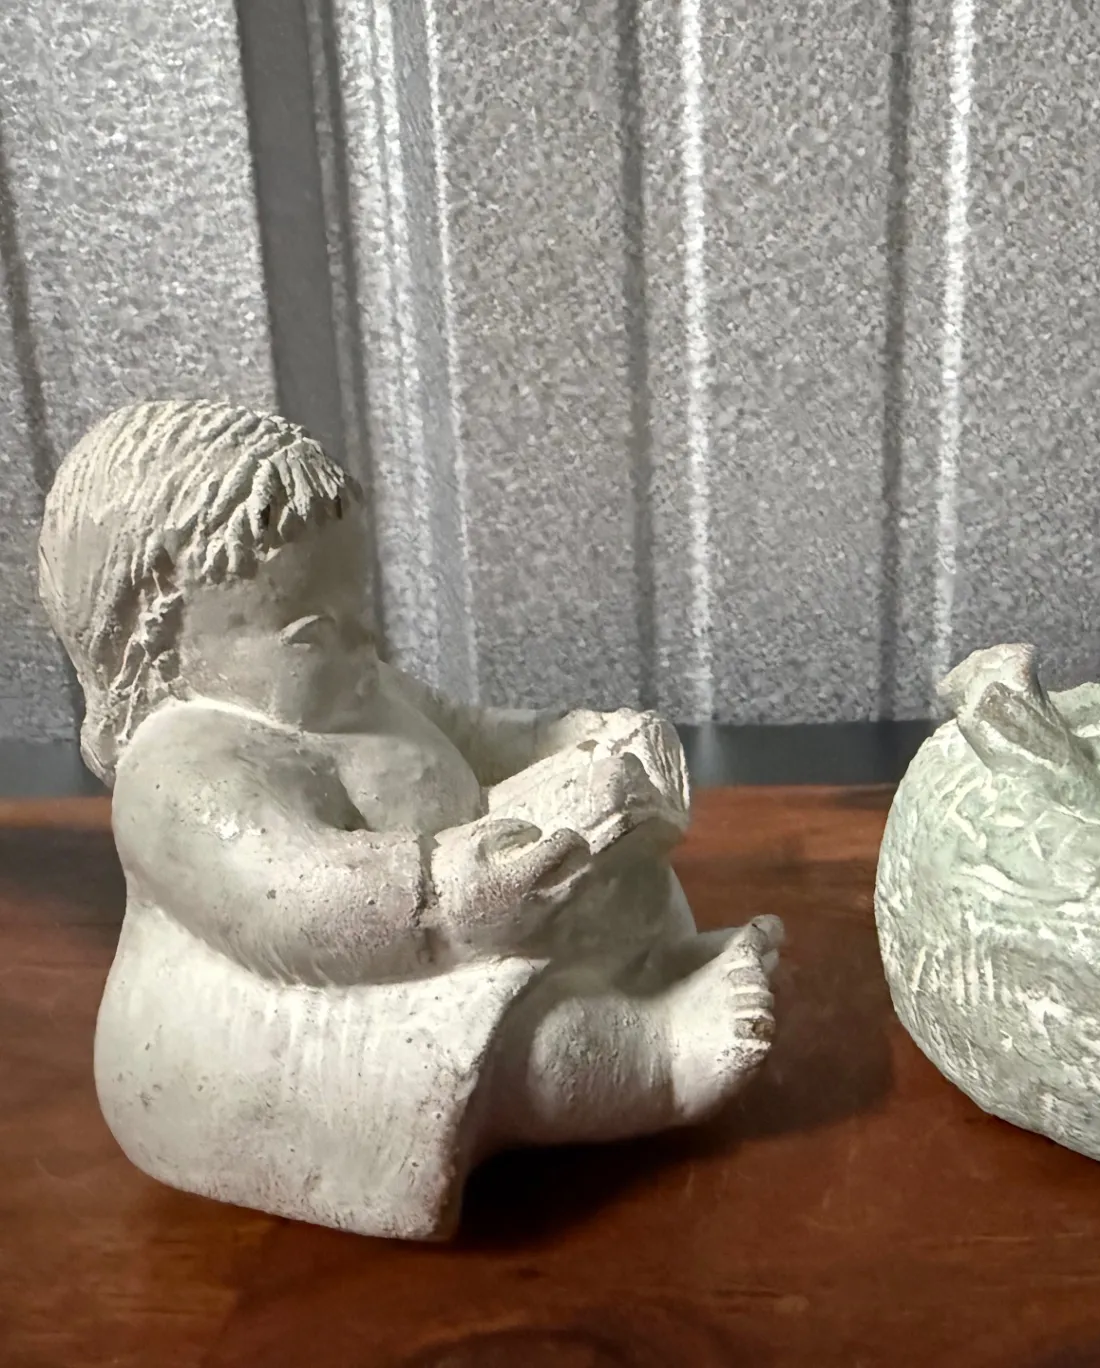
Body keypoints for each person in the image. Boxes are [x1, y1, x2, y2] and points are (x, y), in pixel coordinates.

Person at [37, 398, 780, 1239]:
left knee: (621, 862)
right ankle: (655, 1056)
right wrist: (445, 896)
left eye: (360, 606)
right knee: (515, 1041)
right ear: (161, 650)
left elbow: (472, 732)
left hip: (476, 906)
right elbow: (296, 902)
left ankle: (663, 969)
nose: (365, 640)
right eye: (313, 631)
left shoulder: (356, 681)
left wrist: (569, 739)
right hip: (304, 1003)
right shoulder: (183, 773)